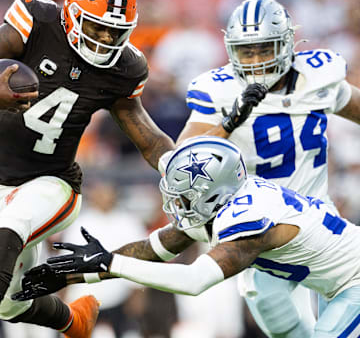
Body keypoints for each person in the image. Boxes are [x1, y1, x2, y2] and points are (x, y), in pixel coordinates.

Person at [12, 136, 360, 338]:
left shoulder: (249, 220)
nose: (175, 204)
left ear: (211, 193)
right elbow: (151, 250)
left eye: (183, 196)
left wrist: (111, 262)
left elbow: (194, 280)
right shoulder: (221, 202)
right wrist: (68, 273)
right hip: (331, 280)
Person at [170, 0, 360, 338]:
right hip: (258, 223)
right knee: (274, 315)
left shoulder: (318, 79)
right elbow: (185, 156)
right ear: (231, 51)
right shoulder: (222, 92)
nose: (256, 61)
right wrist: (230, 121)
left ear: (286, 44)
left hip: (317, 215)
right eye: (247, 52)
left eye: (265, 49)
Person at [0, 0, 174, 336]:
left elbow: (148, 138)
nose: (107, 40)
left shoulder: (124, 69)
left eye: (115, 31)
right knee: (9, 301)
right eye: (98, 27)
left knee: (12, 224)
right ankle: (73, 322)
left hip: (50, 182)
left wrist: (182, 169)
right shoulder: (36, 21)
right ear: (70, 14)